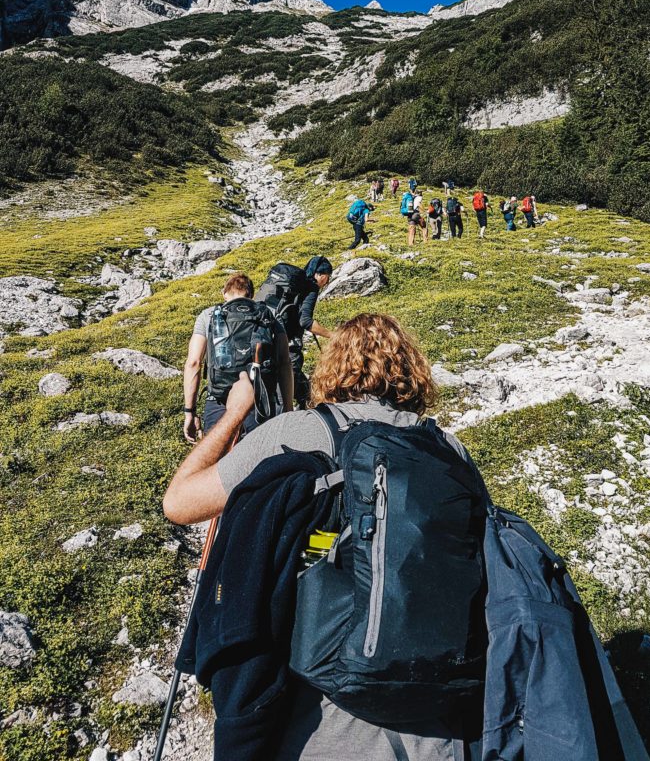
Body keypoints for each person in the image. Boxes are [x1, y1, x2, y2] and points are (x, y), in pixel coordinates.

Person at [164, 313, 482, 761]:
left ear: (332, 367)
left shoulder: (303, 430)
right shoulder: (448, 449)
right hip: (439, 709)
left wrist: (236, 412)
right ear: (412, 370)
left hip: (322, 708)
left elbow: (179, 503)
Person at [182, 272, 293, 442]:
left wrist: (189, 412)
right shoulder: (268, 313)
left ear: (224, 293)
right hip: (258, 400)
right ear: (251, 295)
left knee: (216, 458)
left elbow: (194, 363)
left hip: (219, 399)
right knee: (259, 459)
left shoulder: (209, 315)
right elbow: (285, 362)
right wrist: (288, 408)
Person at [254, 257, 334, 408]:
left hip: (266, 338)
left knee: (280, 382)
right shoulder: (311, 287)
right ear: (321, 274)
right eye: (327, 277)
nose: (327, 282)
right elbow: (306, 321)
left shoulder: (290, 286)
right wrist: (333, 335)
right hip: (289, 345)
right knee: (287, 386)